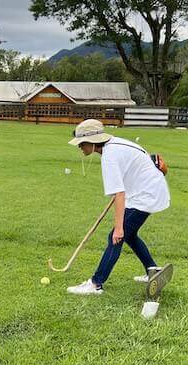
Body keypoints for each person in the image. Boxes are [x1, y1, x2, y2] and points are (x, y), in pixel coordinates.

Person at [66, 119, 170, 295]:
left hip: (145, 196)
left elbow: (119, 194)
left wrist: (118, 228)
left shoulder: (109, 157)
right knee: (130, 235)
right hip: (148, 190)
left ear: (92, 142)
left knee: (116, 237)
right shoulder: (115, 144)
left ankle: (96, 284)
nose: (79, 147)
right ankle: (153, 270)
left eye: (81, 143)